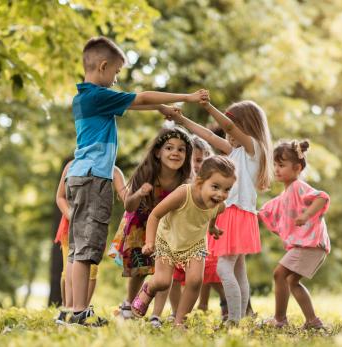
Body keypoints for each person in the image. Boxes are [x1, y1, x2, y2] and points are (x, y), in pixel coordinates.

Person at [66, 36, 206, 326]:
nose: (116, 79)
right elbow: (141, 98)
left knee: (80, 248)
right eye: (116, 73)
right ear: (103, 66)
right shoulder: (96, 95)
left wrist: (160, 110)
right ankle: (77, 312)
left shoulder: (85, 98)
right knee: (88, 249)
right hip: (93, 179)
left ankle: (74, 310)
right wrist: (187, 98)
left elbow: (138, 104)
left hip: (81, 176)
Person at [166, 99, 273, 325]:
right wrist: (181, 120)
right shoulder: (235, 152)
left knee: (225, 269)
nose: (227, 135)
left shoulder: (254, 148)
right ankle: (241, 319)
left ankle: (233, 321)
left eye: (231, 128)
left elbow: (229, 128)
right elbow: (209, 136)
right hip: (231, 214)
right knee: (239, 271)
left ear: (247, 126)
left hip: (238, 214)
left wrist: (208, 107)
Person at [131, 156, 237, 327]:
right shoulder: (184, 193)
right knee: (163, 281)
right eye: (215, 187)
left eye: (227, 189)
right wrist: (149, 242)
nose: (221, 194)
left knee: (195, 281)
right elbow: (155, 215)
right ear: (200, 183)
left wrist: (212, 228)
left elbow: (214, 213)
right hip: (168, 239)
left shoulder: (220, 205)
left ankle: (180, 321)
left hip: (194, 244)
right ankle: (148, 289)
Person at [107, 126, 193, 326]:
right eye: (169, 148)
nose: (175, 153)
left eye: (181, 149)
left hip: (167, 228)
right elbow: (129, 205)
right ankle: (128, 304)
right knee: (140, 268)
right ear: (158, 152)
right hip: (140, 224)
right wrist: (138, 193)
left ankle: (155, 314)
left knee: (164, 271)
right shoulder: (146, 172)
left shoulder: (186, 179)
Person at [259, 140, 331, 330]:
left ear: (297, 167)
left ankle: (280, 319)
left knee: (279, 274)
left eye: (281, 165)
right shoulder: (286, 193)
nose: (276, 169)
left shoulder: (299, 186)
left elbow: (321, 197)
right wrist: (251, 213)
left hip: (311, 244)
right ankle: (312, 321)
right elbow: (270, 209)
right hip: (310, 245)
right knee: (291, 281)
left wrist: (306, 215)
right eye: (275, 165)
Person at [54, 160, 126, 324]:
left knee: (91, 270)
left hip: (94, 228)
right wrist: (74, 217)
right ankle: (68, 309)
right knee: (69, 268)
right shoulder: (72, 166)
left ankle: (82, 310)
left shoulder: (111, 169)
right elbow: (60, 197)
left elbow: (126, 194)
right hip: (70, 228)